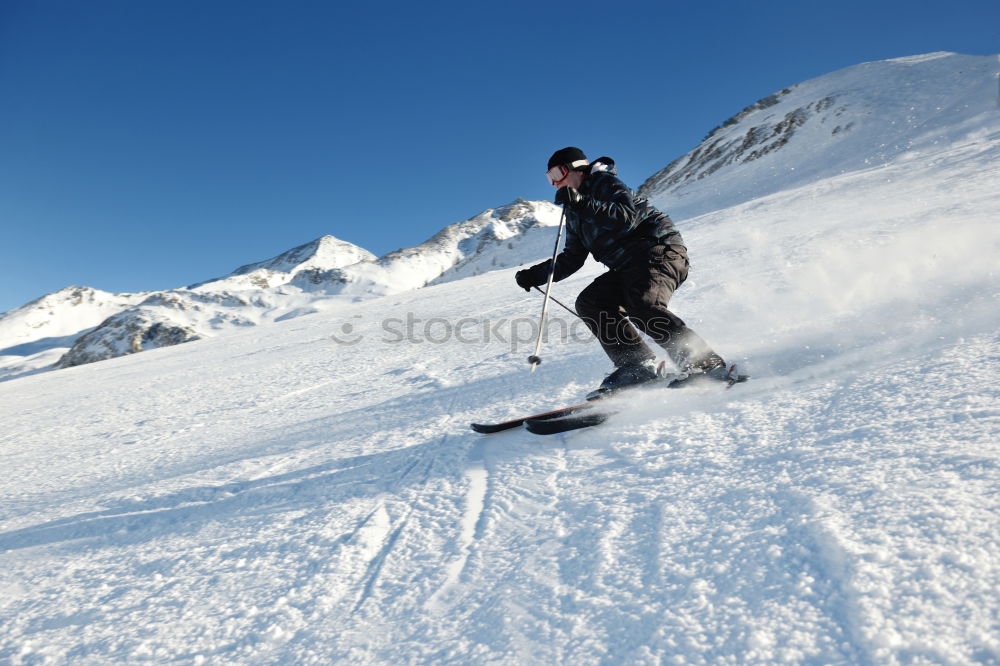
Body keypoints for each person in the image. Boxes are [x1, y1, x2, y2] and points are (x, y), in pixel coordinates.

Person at [516, 146, 739, 396]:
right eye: (549, 178)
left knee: (642, 304)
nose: (555, 183)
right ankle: (637, 365)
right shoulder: (575, 213)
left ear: (575, 168)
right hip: (627, 267)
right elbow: (572, 259)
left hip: (659, 252)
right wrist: (534, 275)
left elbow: (625, 216)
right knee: (591, 302)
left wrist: (582, 203)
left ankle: (704, 364)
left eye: (557, 174)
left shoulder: (603, 182)